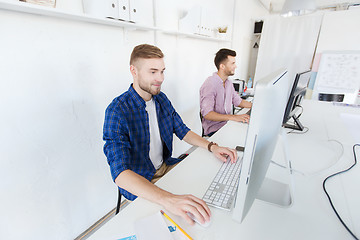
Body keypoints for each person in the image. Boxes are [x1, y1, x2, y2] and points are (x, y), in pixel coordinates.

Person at [103, 44, 238, 225]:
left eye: (162, 71)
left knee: (209, 187)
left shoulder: (161, 99)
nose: (160, 78)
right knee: (181, 218)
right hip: (142, 180)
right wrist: (168, 199)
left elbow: (182, 130)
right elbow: (120, 173)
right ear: (133, 71)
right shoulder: (117, 110)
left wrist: (212, 146)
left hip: (166, 167)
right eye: (153, 72)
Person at [200, 48, 252, 137]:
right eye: (232, 63)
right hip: (214, 130)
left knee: (248, 132)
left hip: (227, 125)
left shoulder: (228, 83)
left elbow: (238, 101)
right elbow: (207, 114)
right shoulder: (210, 84)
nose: (235, 66)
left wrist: (256, 106)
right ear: (222, 66)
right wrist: (232, 117)